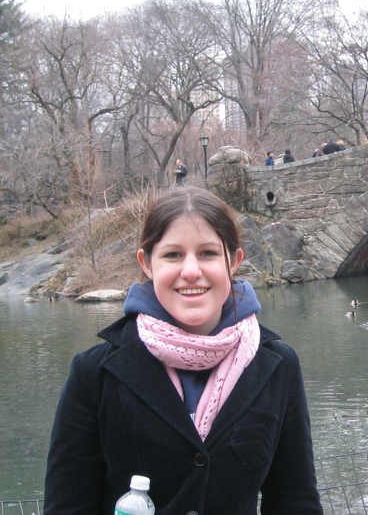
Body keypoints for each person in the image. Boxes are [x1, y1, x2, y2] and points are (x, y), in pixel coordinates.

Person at [44, 187, 322, 515]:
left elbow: (294, 501)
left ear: (233, 261)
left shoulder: (277, 366)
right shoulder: (95, 373)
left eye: (207, 253)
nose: (191, 270)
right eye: (173, 255)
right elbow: (68, 506)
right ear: (147, 263)